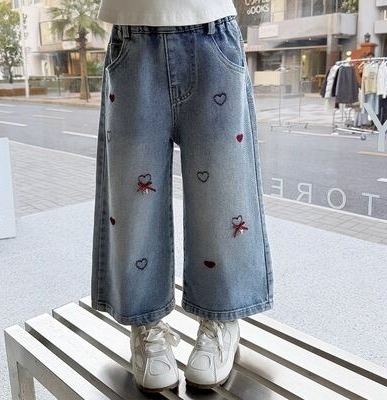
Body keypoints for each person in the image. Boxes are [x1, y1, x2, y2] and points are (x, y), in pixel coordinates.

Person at [91, 0, 274, 392]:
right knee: (132, 203)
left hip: (212, 33)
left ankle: (222, 317)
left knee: (224, 198)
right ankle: (145, 326)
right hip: (133, 37)